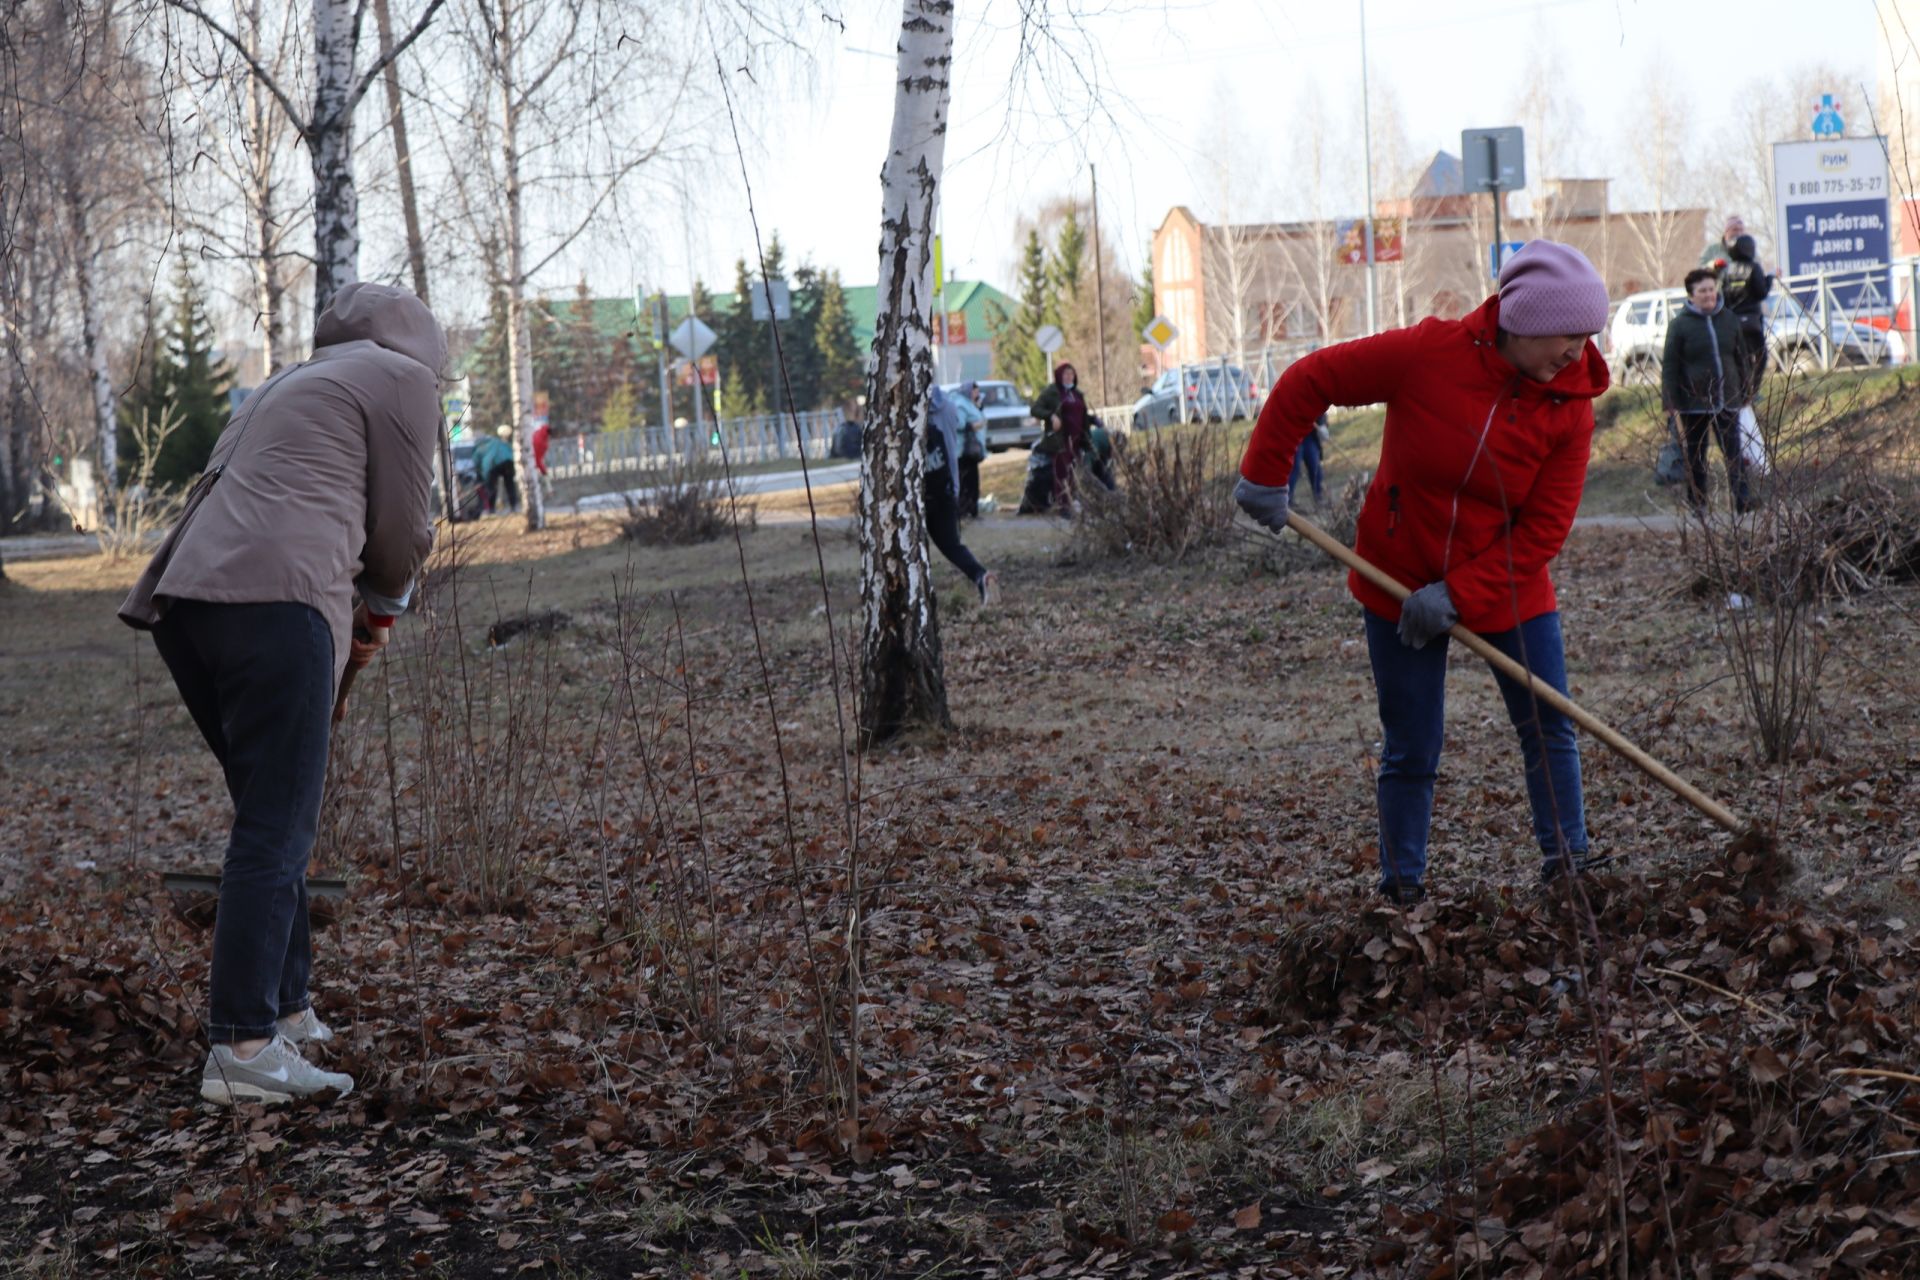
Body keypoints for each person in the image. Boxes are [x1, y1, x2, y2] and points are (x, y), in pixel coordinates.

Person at [118, 282, 444, 1103]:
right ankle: (244, 1047)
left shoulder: (289, 381)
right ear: (421, 344)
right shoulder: (401, 379)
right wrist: (384, 608)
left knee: (272, 816)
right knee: (277, 824)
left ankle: (286, 1011)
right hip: (278, 603)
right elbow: (403, 532)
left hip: (188, 605)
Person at [1235, 241, 1612, 907]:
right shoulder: (1428, 356)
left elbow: (1543, 531)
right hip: (1396, 578)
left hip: (1508, 589)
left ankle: (1569, 871)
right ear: (1521, 321)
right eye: (1568, 334)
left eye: (1587, 337)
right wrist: (1266, 473)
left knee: (1549, 725)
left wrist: (1461, 595)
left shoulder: (1571, 405)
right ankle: (1401, 891)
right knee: (1412, 745)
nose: (1577, 352)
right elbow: (1310, 379)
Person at [1662, 267, 1755, 515]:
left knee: (1734, 452)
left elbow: (1741, 357)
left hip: (1728, 397)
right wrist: (1670, 402)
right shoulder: (1680, 325)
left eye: (1711, 289)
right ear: (1691, 295)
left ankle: (1743, 502)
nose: (1708, 295)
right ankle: (1698, 503)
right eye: (1702, 291)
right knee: (1696, 455)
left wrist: (1746, 389)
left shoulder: (1729, 319)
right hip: (1693, 401)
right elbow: (1670, 366)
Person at [925, 384, 998, 603]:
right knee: (952, 546)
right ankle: (981, 577)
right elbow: (950, 450)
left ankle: (922, 601)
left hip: (922, 495)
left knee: (912, 552)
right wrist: (954, 489)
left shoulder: (902, 412)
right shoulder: (947, 406)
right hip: (943, 489)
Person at [1717, 234, 1772, 404]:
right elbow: (1761, 292)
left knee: (1741, 358)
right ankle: (1752, 392)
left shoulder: (1726, 270)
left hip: (1733, 322)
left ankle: (1741, 392)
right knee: (1760, 357)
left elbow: (1723, 297)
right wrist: (1770, 279)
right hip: (1752, 321)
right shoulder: (1753, 267)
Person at [1028, 362, 1089, 515]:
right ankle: (1062, 505)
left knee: (1074, 473)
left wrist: (1093, 424)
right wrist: (1051, 416)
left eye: (1071, 374)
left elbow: (1083, 415)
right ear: (1059, 376)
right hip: (1060, 440)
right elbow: (1035, 409)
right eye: (1066, 374)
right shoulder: (1052, 392)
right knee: (1061, 473)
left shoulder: (1077, 394)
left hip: (1076, 439)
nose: (1069, 377)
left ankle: (1072, 501)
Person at [952, 380, 989, 518]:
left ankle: (972, 509)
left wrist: (979, 408)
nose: (977, 394)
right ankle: (964, 509)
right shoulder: (961, 404)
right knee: (966, 481)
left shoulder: (971, 404)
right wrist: (974, 426)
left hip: (972, 450)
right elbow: (959, 424)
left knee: (973, 481)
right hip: (964, 450)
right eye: (975, 391)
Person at [1289, 413, 1330, 508]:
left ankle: (1319, 496)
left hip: (1310, 436)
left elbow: (1321, 409)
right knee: (1294, 468)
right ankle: (1287, 500)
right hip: (1295, 434)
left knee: (1315, 465)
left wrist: (1322, 424)